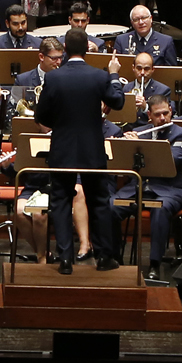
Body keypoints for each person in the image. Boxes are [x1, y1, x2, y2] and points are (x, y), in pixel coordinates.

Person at [34, 30, 127, 273]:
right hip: (92, 151)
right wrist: (114, 73)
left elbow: (40, 115)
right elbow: (117, 101)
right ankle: (105, 257)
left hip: (62, 151)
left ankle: (65, 259)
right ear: (87, 46)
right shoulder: (99, 76)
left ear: (64, 47)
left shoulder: (54, 78)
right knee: (98, 202)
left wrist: (62, 124)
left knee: (61, 203)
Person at [109, 96, 182, 282]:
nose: (162, 118)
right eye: (157, 115)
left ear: (171, 112)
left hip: (168, 189)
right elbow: (122, 162)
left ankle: (155, 263)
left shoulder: (181, 134)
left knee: (160, 209)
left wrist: (143, 146)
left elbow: (175, 159)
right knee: (110, 206)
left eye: (166, 113)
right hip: (137, 187)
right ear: (149, 116)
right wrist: (126, 145)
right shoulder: (138, 132)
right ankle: (115, 258)